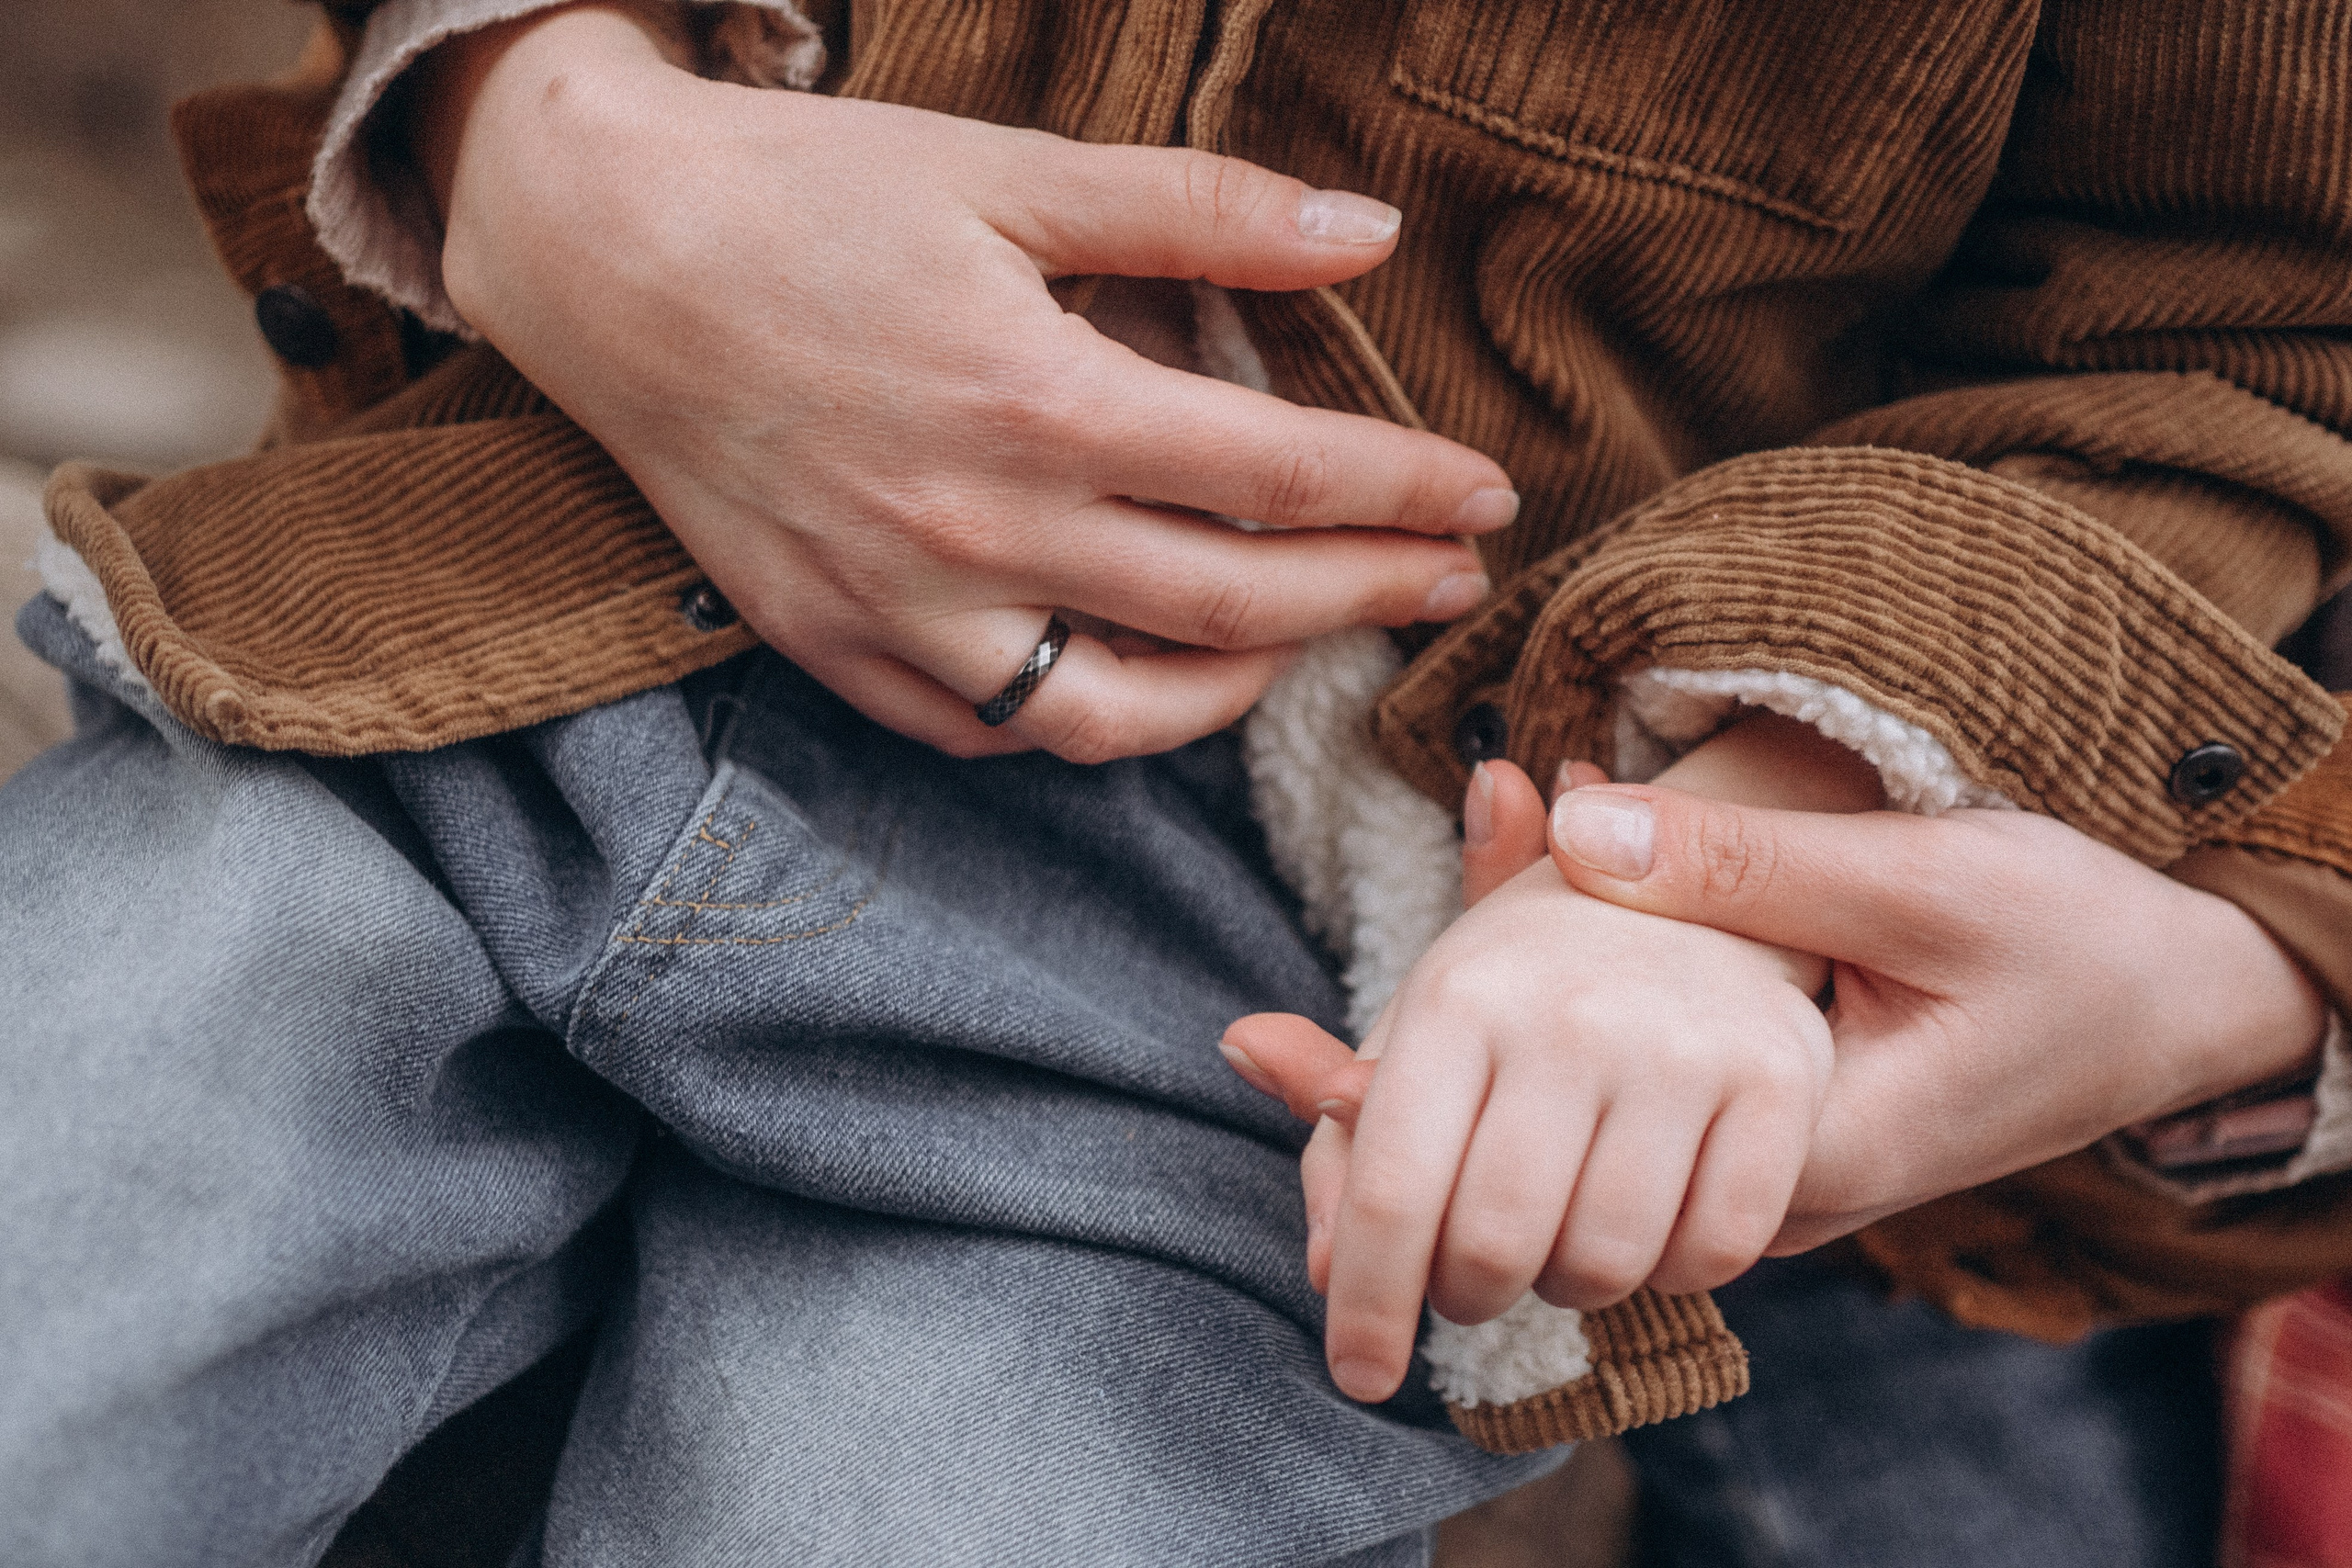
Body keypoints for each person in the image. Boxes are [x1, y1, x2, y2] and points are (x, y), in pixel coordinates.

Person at [4, 2, 2349, 1565]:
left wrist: (1762, 825)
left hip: (1312, 1023)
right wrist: (527, 104)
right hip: (438, 651)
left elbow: (2222, 313)